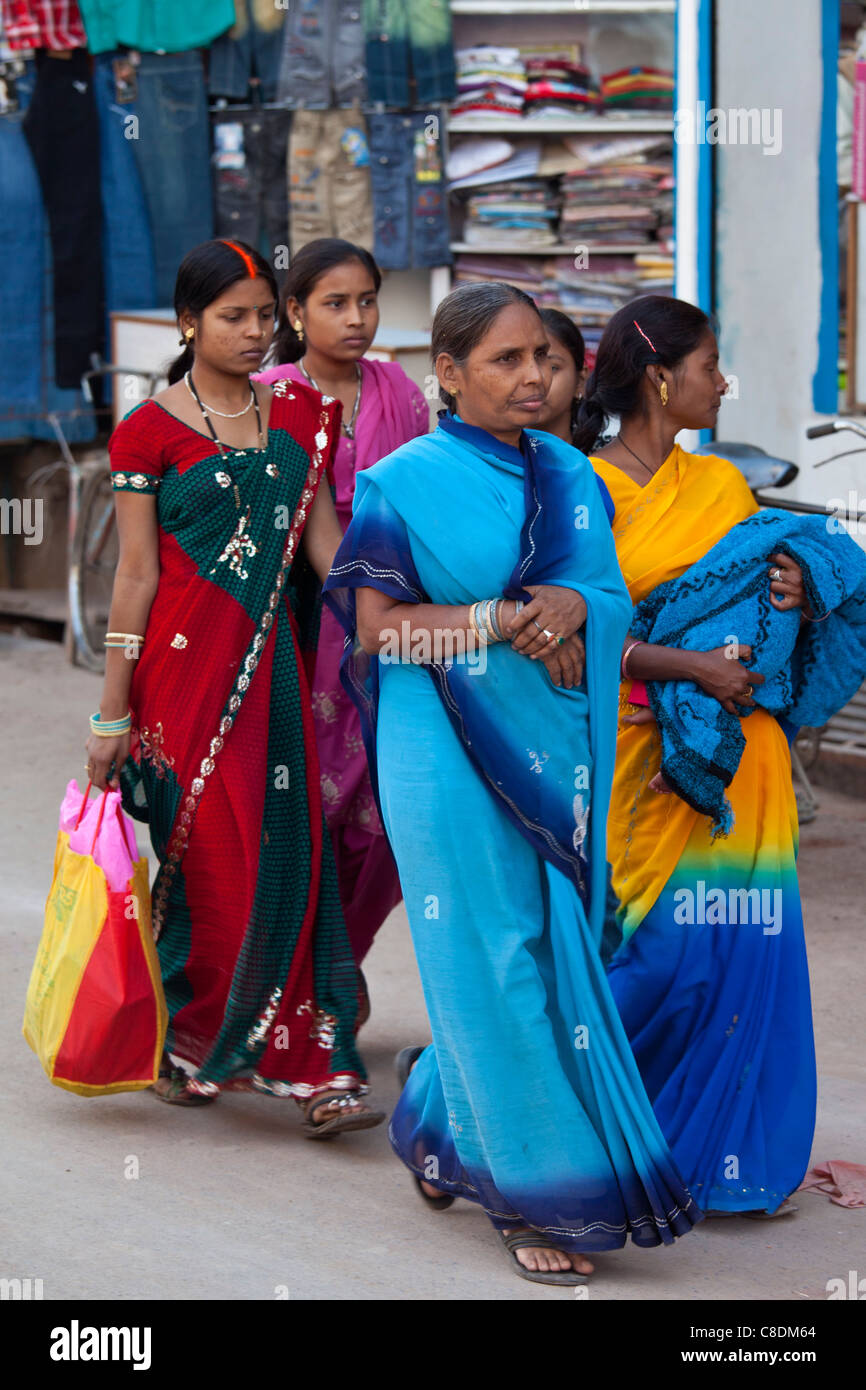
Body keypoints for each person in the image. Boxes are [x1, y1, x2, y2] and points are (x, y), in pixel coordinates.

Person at [322, 281, 702, 1286]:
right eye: (505, 359)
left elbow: (603, 594)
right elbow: (375, 631)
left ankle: (435, 1119)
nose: (535, 375)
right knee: (490, 950)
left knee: (552, 938)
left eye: (542, 355)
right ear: (446, 374)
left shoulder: (570, 473)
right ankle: (529, 1190)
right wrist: (502, 619)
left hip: (550, 741)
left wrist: (572, 612)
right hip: (437, 745)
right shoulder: (402, 481)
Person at [84, 237, 384, 1135]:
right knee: (215, 866)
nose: (257, 333)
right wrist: (110, 709)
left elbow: (325, 543)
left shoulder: (302, 417)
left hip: (272, 676)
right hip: (180, 681)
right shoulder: (148, 431)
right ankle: (192, 1039)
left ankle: (317, 1068)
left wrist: (396, 621)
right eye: (233, 317)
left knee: (293, 856)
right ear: (188, 323)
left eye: (265, 315)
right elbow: (136, 576)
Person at [577, 294, 817, 1215]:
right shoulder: (583, 486)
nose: (723, 383)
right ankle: (531, 1106)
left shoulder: (719, 487)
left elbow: (760, 610)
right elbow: (581, 635)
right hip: (644, 756)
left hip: (746, 760)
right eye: (712, 365)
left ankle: (724, 1159)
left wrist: (793, 590)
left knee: (743, 953)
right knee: (657, 956)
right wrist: (689, 668)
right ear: (659, 378)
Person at [255, 238, 428, 979]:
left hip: (398, 617)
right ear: (295, 311)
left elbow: (427, 503)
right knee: (304, 810)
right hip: (300, 618)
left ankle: (334, 965)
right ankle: (293, 979)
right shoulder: (268, 393)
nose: (357, 318)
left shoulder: (400, 390)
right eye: (335, 303)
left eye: (366, 300)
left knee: (393, 814)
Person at [534, 308, 587, 444]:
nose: (534, 378)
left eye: (552, 368)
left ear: (580, 382)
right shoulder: (481, 460)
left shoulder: (601, 461)